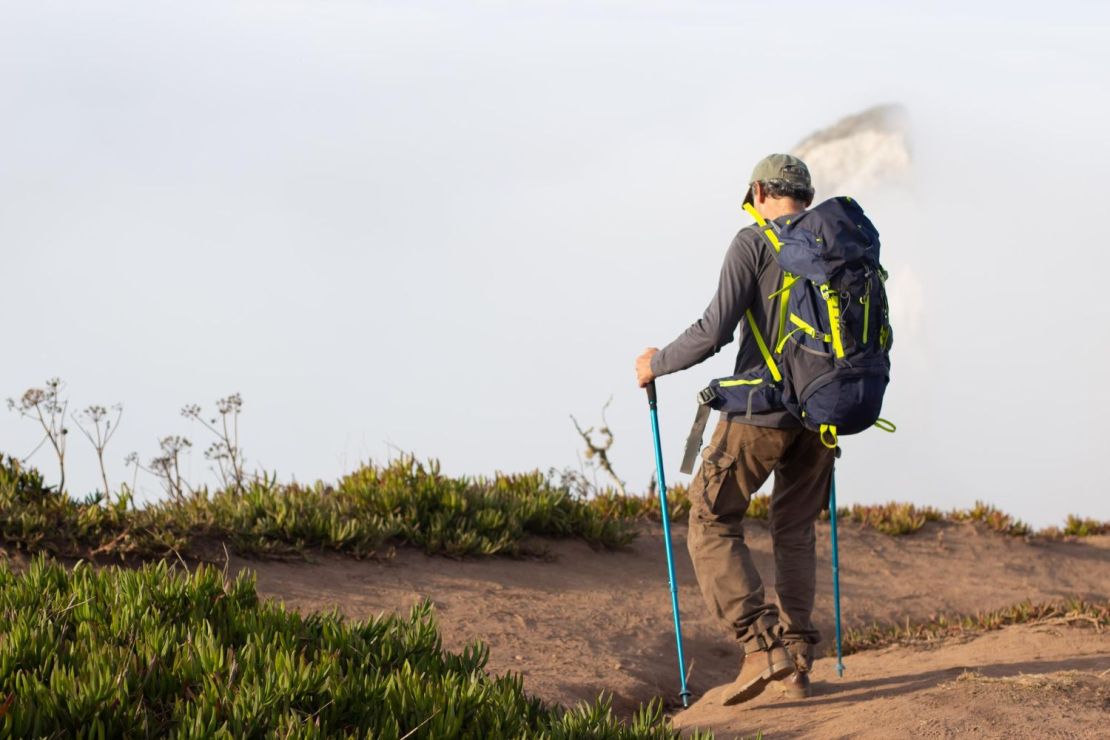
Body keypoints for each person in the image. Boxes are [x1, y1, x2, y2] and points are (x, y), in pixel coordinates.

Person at [635, 153, 834, 705]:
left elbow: (713, 330)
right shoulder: (833, 244)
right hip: (823, 417)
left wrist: (657, 363)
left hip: (760, 413)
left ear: (760, 192)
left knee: (710, 515)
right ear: (808, 198)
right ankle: (798, 662)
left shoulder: (753, 242)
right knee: (794, 528)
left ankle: (759, 644)